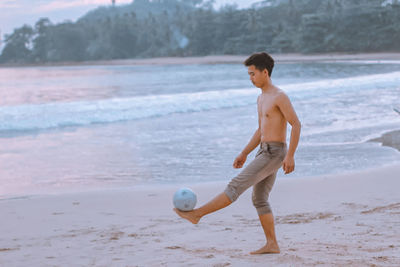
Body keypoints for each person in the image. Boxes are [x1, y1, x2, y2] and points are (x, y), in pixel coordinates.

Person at [174, 52, 301, 254]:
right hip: (263, 151)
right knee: (259, 199)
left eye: (252, 74)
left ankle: (197, 214)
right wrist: (244, 153)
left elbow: (296, 125)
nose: (250, 78)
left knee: (235, 186)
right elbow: (261, 130)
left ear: (265, 72)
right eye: (249, 74)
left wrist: (290, 155)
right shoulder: (261, 98)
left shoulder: (279, 96)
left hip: (275, 153)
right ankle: (272, 244)